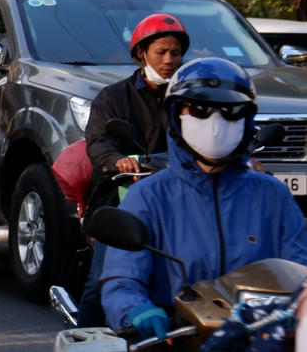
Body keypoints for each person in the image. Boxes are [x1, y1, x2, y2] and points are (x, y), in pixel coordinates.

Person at [100, 58, 307, 341]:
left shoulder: (273, 195)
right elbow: (123, 276)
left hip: (260, 339)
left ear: (248, 120)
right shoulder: (148, 195)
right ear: (176, 116)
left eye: (231, 112)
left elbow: (299, 272)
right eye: (199, 110)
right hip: (177, 338)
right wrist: (135, 309)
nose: (215, 123)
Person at [77, 13, 190, 326]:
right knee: (101, 281)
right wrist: (117, 160)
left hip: (178, 199)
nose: (169, 60)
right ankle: (83, 339)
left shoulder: (187, 97)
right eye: (161, 52)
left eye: (176, 53)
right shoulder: (113, 97)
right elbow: (98, 141)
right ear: (142, 53)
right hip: (122, 200)